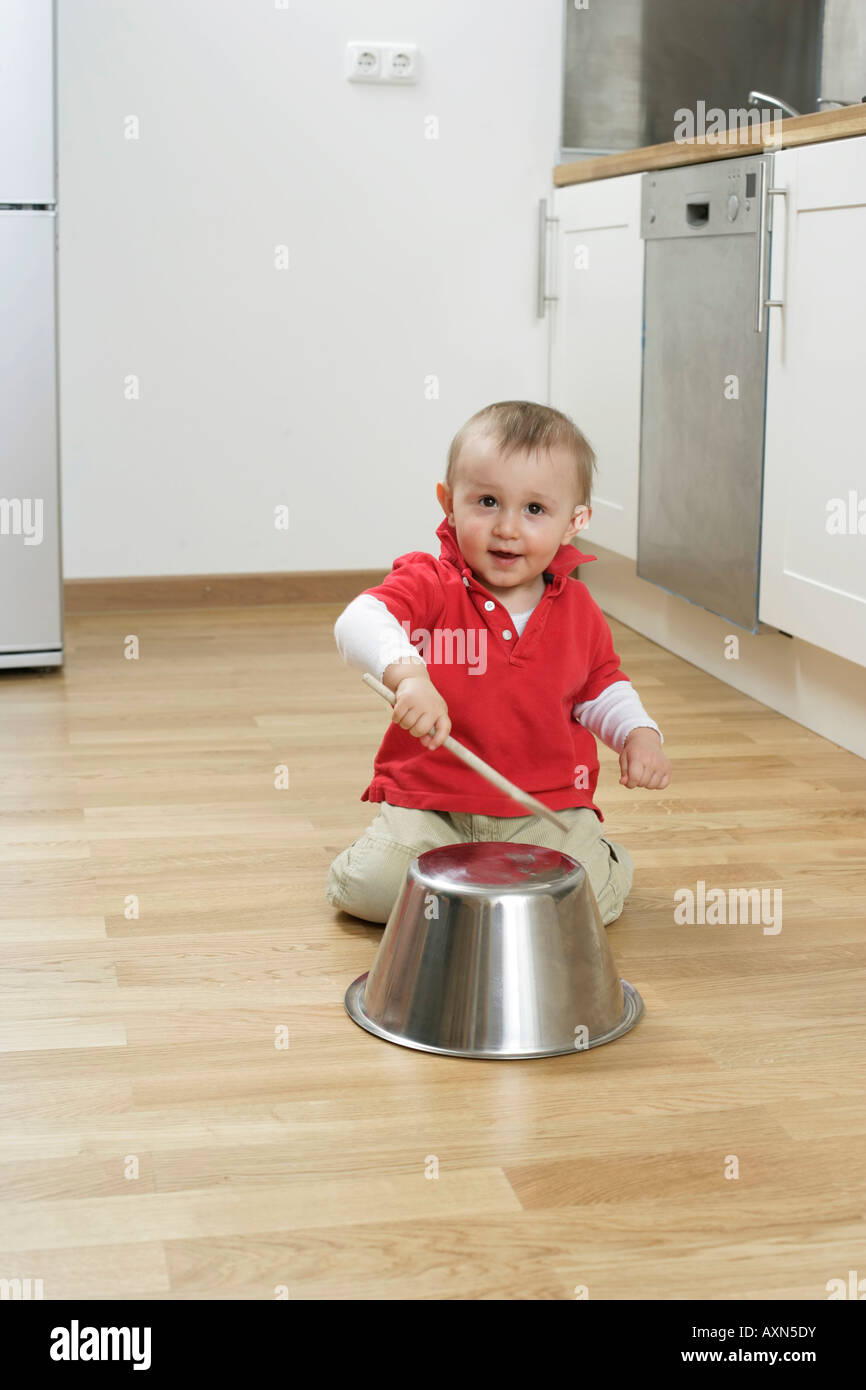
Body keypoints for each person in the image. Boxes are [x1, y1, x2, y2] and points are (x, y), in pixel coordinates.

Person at [327, 400, 671, 927]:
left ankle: (600, 861)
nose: (508, 528)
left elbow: (601, 687)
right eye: (487, 501)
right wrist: (409, 674)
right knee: (369, 891)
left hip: (544, 808)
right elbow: (358, 620)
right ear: (449, 503)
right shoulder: (430, 583)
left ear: (574, 522)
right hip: (433, 807)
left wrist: (639, 734)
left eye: (534, 510)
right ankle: (448, 881)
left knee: (589, 903)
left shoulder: (579, 610)